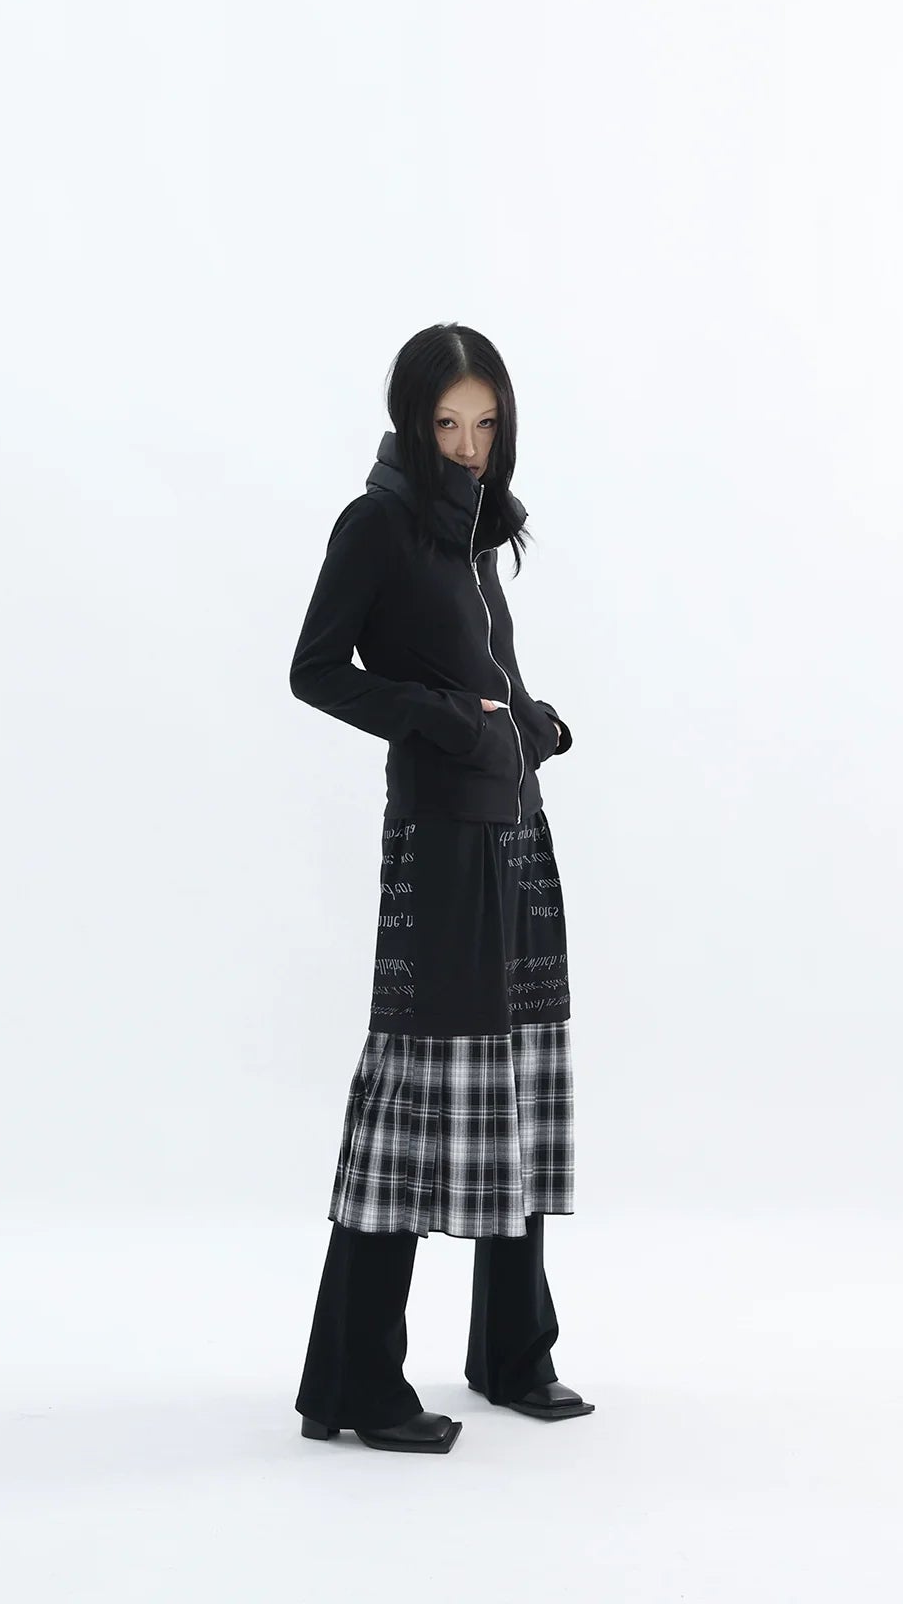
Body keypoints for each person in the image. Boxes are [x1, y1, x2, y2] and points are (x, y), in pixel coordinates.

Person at [288, 322, 594, 1455]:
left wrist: (530, 724)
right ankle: (357, 1384)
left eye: (487, 424)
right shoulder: (377, 523)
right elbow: (317, 670)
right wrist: (447, 722)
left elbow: (483, 674)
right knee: (416, 1100)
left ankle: (513, 1356)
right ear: (414, 423)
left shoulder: (478, 535)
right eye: (449, 424)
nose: (469, 446)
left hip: (515, 832)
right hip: (440, 843)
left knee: (515, 1083)